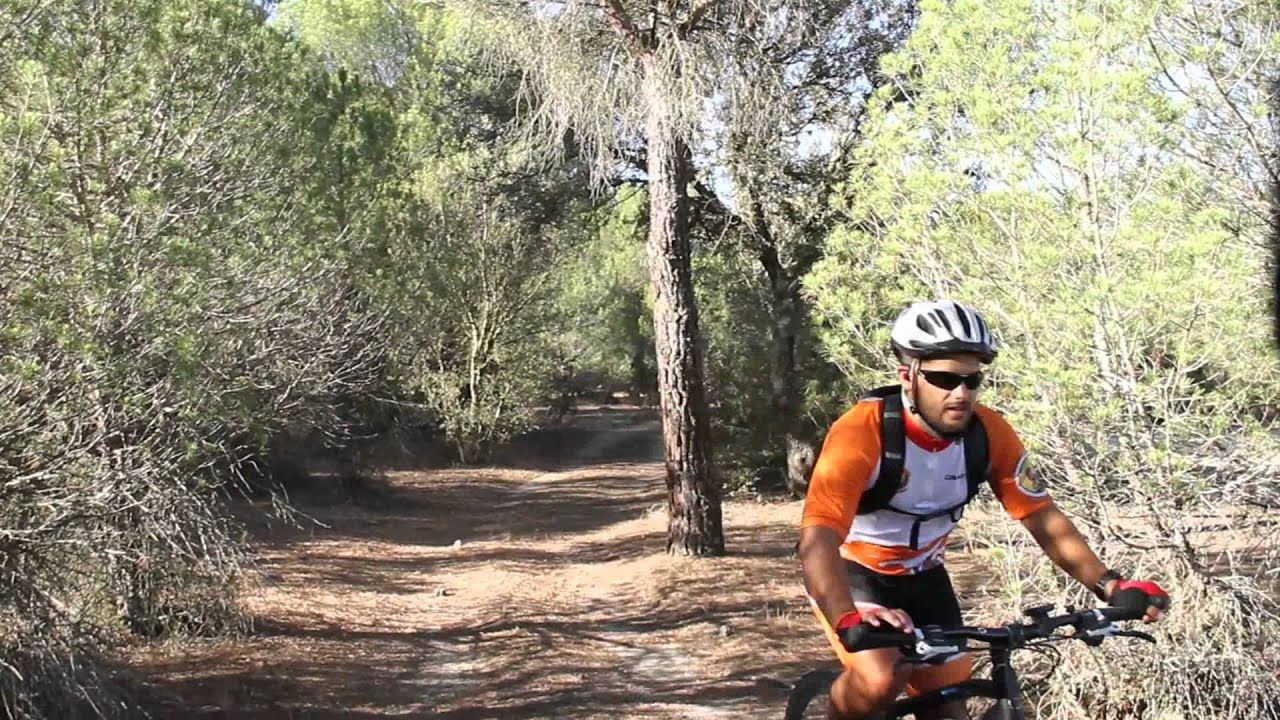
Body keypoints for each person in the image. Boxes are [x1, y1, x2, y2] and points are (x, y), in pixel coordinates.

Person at [798, 299, 1170, 720]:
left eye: (971, 379)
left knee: (948, 701)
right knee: (880, 677)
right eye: (944, 379)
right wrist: (846, 616)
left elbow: (1042, 516)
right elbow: (819, 537)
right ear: (907, 376)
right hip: (855, 573)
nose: (960, 393)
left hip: (925, 578)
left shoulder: (988, 433)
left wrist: (1109, 585)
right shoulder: (861, 431)